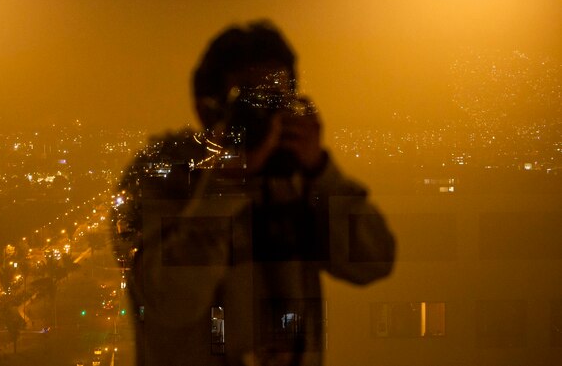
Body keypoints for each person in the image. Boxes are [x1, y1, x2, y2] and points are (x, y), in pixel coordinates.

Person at [111, 20, 395, 366]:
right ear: (207, 108)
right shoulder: (163, 173)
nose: (266, 116)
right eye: (249, 102)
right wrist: (227, 180)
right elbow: (168, 301)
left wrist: (320, 171)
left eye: (278, 101)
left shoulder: (291, 177)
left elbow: (373, 262)